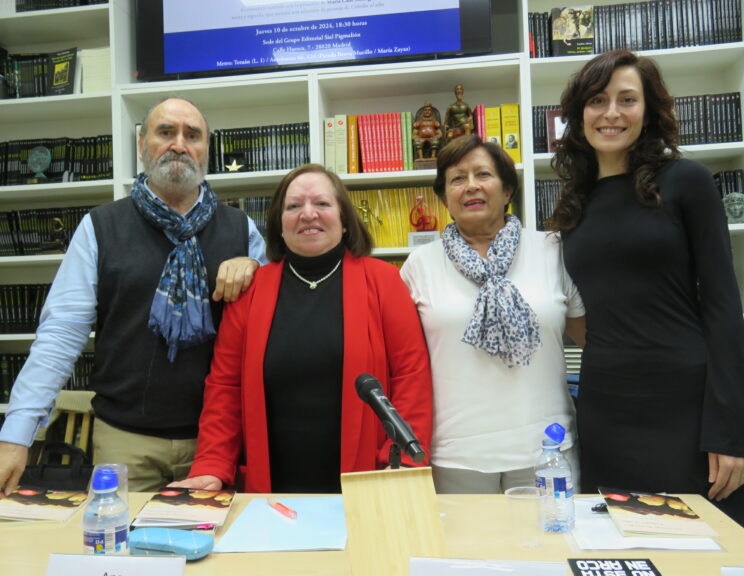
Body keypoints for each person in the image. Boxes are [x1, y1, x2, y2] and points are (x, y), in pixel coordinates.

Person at [0, 97, 268, 494]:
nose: (179, 144)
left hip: (217, 444)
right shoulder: (100, 227)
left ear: (206, 150)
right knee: (119, 552)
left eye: (192, 135)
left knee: (214, 555)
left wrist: (257, 273)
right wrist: (16, 435)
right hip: (124, 440)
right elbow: (60, 336)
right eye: (166, 132)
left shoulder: (241, 230)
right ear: (142, 143)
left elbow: (266, 330)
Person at [549, 50, 744, 525]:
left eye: (628, 100)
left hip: (685, 404)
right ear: (579, 111)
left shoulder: (687, 181)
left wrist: (733, 432)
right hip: (606, 406)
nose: (611, 113)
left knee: (707, 546)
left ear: (648, 111)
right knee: (620, 543)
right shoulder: (572, 204)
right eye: (598, 100)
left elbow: (724, 307)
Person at [172, 164, 433, 493]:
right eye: (294, 206)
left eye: (322, 204)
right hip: (272, 483)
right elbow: (224, 389)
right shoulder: (249, 292)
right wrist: (212, 464)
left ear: (345, 219)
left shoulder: (383, 281)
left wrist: (402, 465)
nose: (308, 214)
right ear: (279, 224)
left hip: (369, 477)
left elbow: (412, 379)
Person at [400, 134, 585, 494]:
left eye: (483, 174)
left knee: (549, 550)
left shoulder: (553, 250)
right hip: (456, 456)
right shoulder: (418, 266)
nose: (471, 186)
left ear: (507, 190)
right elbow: (403, 364)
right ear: (444, 198)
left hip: (547, 451)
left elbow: (594, 340)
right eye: (457, 178)